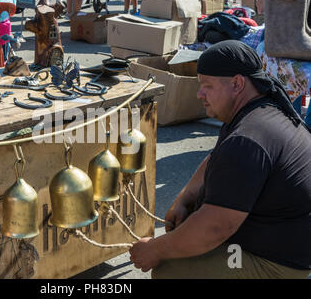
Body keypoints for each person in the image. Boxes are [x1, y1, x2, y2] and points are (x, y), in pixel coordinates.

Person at [129, 40, 311, 279]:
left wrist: (155, 249)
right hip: (285, 242)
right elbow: (215, 159)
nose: (199, 94)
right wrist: (185, 197)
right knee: (191, 225)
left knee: (171, 271)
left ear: (236, 84)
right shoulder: (259, 111)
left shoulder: (247, 139)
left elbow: (215, 228)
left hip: (278, 262)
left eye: (207, 86)